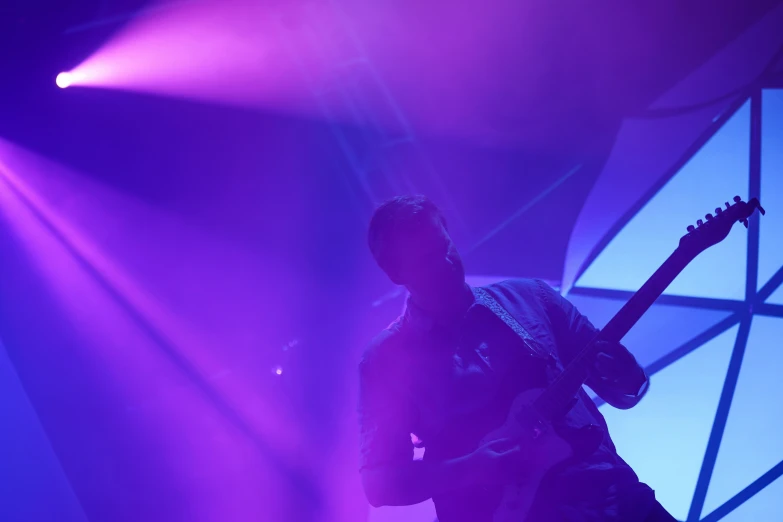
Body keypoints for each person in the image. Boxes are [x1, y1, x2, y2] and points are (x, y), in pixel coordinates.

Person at [357, 195, 677, 522]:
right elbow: (380, 485)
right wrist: (470, 469)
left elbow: (620, 389)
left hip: (611, 492)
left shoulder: (531, 298)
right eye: (427, 259)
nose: (447, 262)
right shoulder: (385, 362)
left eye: (444, 245)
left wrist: (626, 371)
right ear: (396, 275)